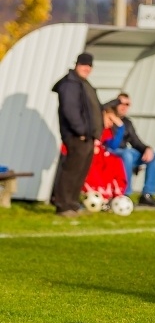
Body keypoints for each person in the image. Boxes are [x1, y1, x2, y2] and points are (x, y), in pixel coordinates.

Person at [51, 52, 103, 217]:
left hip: (87, 137)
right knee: (71, 170)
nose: (86, 68)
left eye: (89, 66)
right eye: (83, 65)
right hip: (77, 136)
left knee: (80, 172)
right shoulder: (70, 84)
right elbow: (70, 110)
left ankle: (72, 204)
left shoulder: (83, 83)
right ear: (76, 65)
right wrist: (81, 131)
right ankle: (63, 205)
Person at [111, 93, 155, 206]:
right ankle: (126, 194)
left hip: (125, 153)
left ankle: (147, 194)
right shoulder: (108, 118)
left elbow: (135, 141)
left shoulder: (127, 123)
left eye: (127, 104)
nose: (124, 107)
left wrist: (147, 149)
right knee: (127, 154)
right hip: (111, 152)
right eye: (121, 103)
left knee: (153, 155)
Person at [82, 100, 128, 200]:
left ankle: (116, 191)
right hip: (90, 157)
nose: (111, 124)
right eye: (110, 119)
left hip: (101, 159)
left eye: (113, 121)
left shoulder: (106, 132)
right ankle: (97, 191)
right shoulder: (91, 127)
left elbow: (114, 145)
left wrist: (121, 127)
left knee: (116, 161)